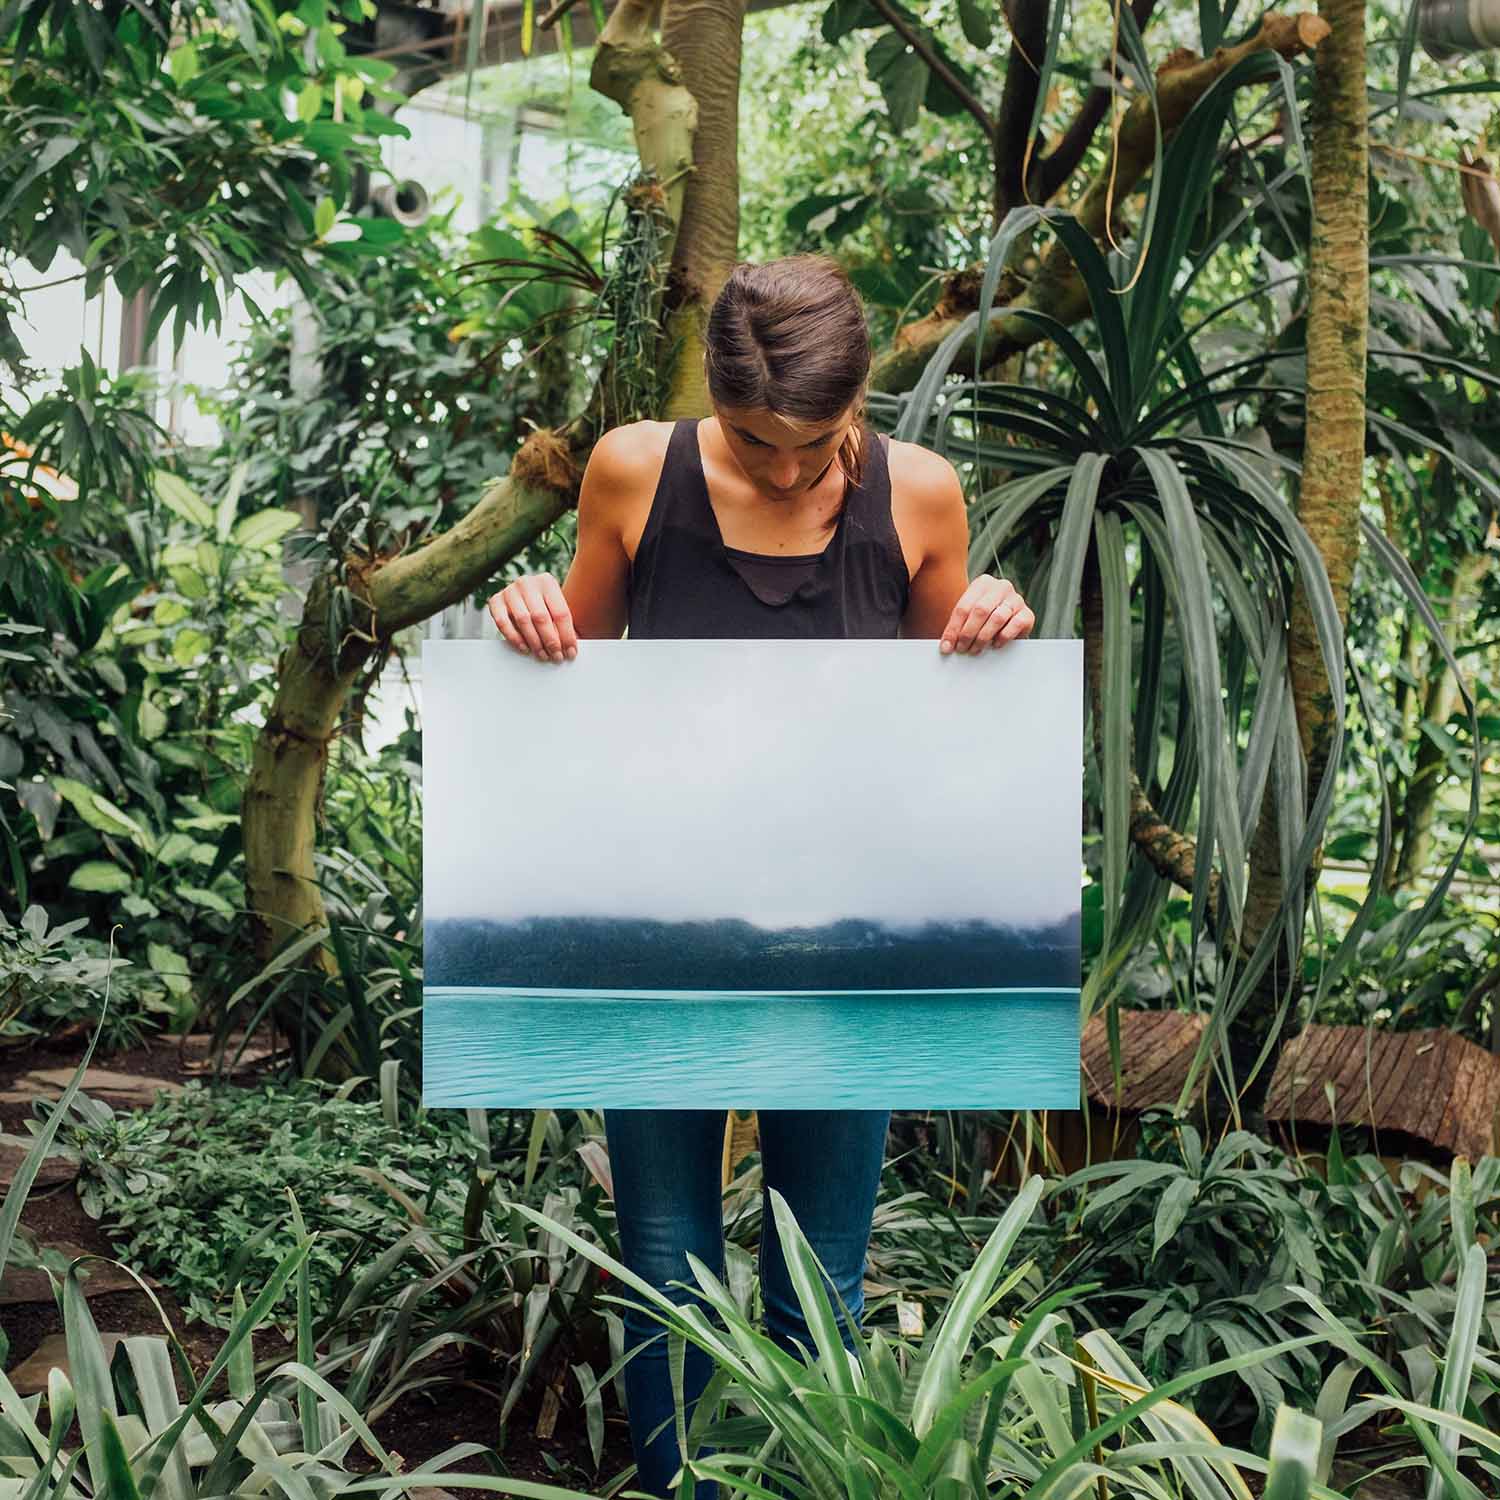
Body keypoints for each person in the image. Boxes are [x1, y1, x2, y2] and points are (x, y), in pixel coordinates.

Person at [485, 254, 1035, 1498]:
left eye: (819, 445)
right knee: (665, 1258)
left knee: (820, 1269)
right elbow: (571, 681)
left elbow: (948, 721)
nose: (788, 472)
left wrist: (997, 617)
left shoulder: (925, 497)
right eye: (755, 442)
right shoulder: (634, 468)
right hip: (661, 918)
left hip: (846, 938)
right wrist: (527, 615)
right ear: (714, 397)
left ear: (861, 403)